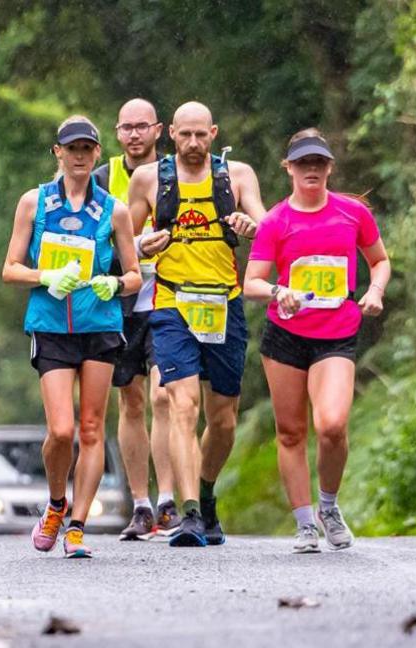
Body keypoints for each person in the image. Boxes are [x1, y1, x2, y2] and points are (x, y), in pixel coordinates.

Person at [242, 128, 390, 553]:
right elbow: (251, 282)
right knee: (290, 433)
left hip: (336, 334)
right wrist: (278, 291)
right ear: (288, 168)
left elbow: (379, 261)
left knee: (332, 426)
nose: (312, 170)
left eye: (319, 162)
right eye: (303, 162)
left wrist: (375, 290)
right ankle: (304, 523)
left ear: (329, 167)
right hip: (286, 337)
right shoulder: (275, 221)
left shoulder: (352, 213)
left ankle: (328, 505)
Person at [125, 101, 265, 547]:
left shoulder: (237, 175)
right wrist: (143, 244)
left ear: (214, 132)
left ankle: (205, 495)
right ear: (171, 134)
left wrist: (249, 225)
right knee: (182, 406)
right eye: (184, 135)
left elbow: (268, 227)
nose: (192, 143)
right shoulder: (149, 179)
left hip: (224, 303)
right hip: (171, 303)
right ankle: (187, 514)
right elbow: (123, 241)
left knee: (223, 420)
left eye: (201, 135)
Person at [2, 115, 142, 558]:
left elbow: (136, 273)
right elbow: (10, 269)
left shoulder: (114, 210)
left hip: (99, 325)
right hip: (51, 326)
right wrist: (46, 276)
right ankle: (57, 503)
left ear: (98, 154)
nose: (80, 156)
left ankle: (78, 526)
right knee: (61, 431)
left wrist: (114, 285)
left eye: (87, 149)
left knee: (92, 427)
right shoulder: (34, 203)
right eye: (72, 149)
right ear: (57, 153)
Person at [92, 98, 179, 540]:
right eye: (126, 128)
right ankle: (141, 503)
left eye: (142, 127)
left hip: (167, 296)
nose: (133, 135)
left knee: (166, 396)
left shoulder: (176, 172)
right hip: (121, 300)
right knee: (131, 400)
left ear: (159, 130)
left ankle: (169, 500)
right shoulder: (101, 178)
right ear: (117, 131)